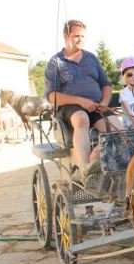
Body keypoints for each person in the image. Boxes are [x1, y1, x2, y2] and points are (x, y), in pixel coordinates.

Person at [44, 19, 123, 182]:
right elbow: (52, 96)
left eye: (83, 36)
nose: (80, 39)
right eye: (76, 36)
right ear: (66, 35)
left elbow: (106, 86)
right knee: (81, 119)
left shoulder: (91, 58)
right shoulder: (56, 62)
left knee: (119, 130)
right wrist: (80, 101)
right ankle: (85, 169)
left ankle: (93, 162)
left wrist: (105, 103)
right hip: (70, 107)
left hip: (96, 106)